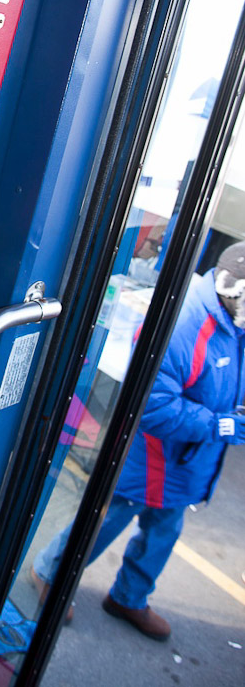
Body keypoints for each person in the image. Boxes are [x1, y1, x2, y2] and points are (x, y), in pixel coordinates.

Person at [32, 241, 245, 640]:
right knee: (105, 521)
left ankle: (129, 596)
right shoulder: (184, 323)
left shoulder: (232, 320)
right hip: (151, 458)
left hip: (186, 459)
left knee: (164, 531)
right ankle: (48, 572)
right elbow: (153, 407)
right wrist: (220, 425)